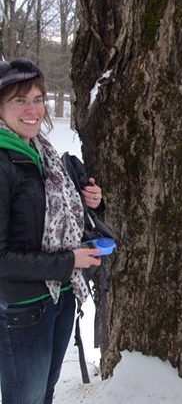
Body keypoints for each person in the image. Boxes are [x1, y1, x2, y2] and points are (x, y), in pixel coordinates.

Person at [0, 58, 103, 403]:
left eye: (38, 99)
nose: (32, 110)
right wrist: (68, 261)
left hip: (60, 298)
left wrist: (90, 201)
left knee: (44, 394)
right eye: (19, 100)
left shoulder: (41, 152)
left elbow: (53, 213)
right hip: (23, 308)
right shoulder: (3, 162)